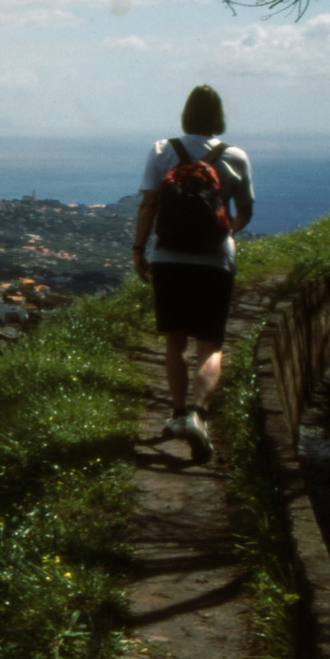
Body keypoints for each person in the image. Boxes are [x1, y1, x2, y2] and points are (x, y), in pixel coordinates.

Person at [131, 85, 254, 462]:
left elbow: (149, 204)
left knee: (174, 341)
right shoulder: (235, 156)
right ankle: (198, 416)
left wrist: (139, 250)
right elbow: (246, 211)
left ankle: (177, 414)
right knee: (210, 344)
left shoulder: (162, 150)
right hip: (214, 262)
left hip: (168, 259)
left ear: (186, 115)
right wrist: (224, 231)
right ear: (219, 118)